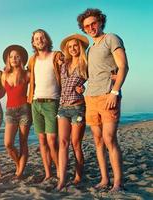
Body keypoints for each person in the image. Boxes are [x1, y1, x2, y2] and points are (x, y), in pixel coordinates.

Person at [77, 8, 129, 192]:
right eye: (87, 26)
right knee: (98, 140)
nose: (91, 27)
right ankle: (104, 180)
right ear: (84, 29)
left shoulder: (111, 38)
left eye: (93, 23)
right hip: (90, 97)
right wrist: (80, 86)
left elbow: (123, 66)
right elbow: (93, 72)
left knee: (109, 139)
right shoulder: (90, 49)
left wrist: (114, 92)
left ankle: (118, 183)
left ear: (100, 22)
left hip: (108, 96)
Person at [56, 34, 89, 191]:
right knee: (63, 143)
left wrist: (83, 88)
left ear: (80, 47)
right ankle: (61, 179)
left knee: (76, 143)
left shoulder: (85, 63)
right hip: (62, 108)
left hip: (77, 107)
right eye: (70, 47)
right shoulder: (64, 64)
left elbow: (96, 77)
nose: (73, 48)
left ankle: (78, 175)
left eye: (75, 45)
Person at [27, 29, 60, 181]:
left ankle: (60, 170)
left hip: (52, 102)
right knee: (42, 141)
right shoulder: (32, 60)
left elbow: (69, 70)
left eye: (42, 37)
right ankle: (48, 173)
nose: (39, 40)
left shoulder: (56, 55)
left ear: (47, 39)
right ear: (33, 43)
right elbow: (25, 76)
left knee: (52, 140)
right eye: (36, 39)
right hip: (35, 103)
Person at [1, 45, 31, 179]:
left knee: (23, 142)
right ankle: (19, 164)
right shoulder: (4, 75)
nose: (14, 59)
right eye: (11, 56)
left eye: (17, 56)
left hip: (25, 109)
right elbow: (1, 92)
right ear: (8, 59)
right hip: (10, 111)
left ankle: (19, 173)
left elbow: (36, 88)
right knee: (8, 144)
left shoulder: (27, 74)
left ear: (21, 59)